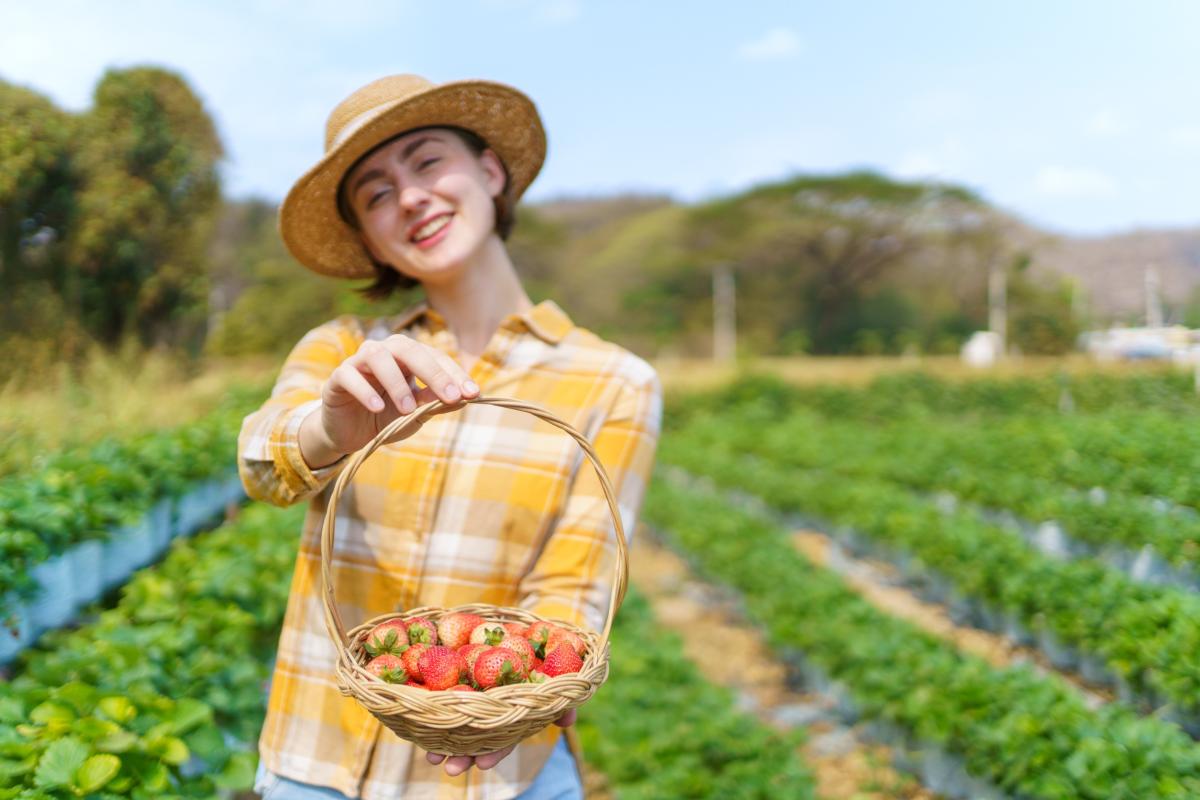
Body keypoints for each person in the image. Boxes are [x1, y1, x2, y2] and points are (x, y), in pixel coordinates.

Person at [238, 74, 662, 800]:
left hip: (501, 774)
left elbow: (573, 589)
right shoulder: (344, 348)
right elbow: (264, 464)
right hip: (317, 758)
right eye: (374, 193)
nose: (408, 197)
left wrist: (501, 705)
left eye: (428, 161)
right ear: (368, 238)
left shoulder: (615, 382)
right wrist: (330, 427)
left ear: (490, 171)